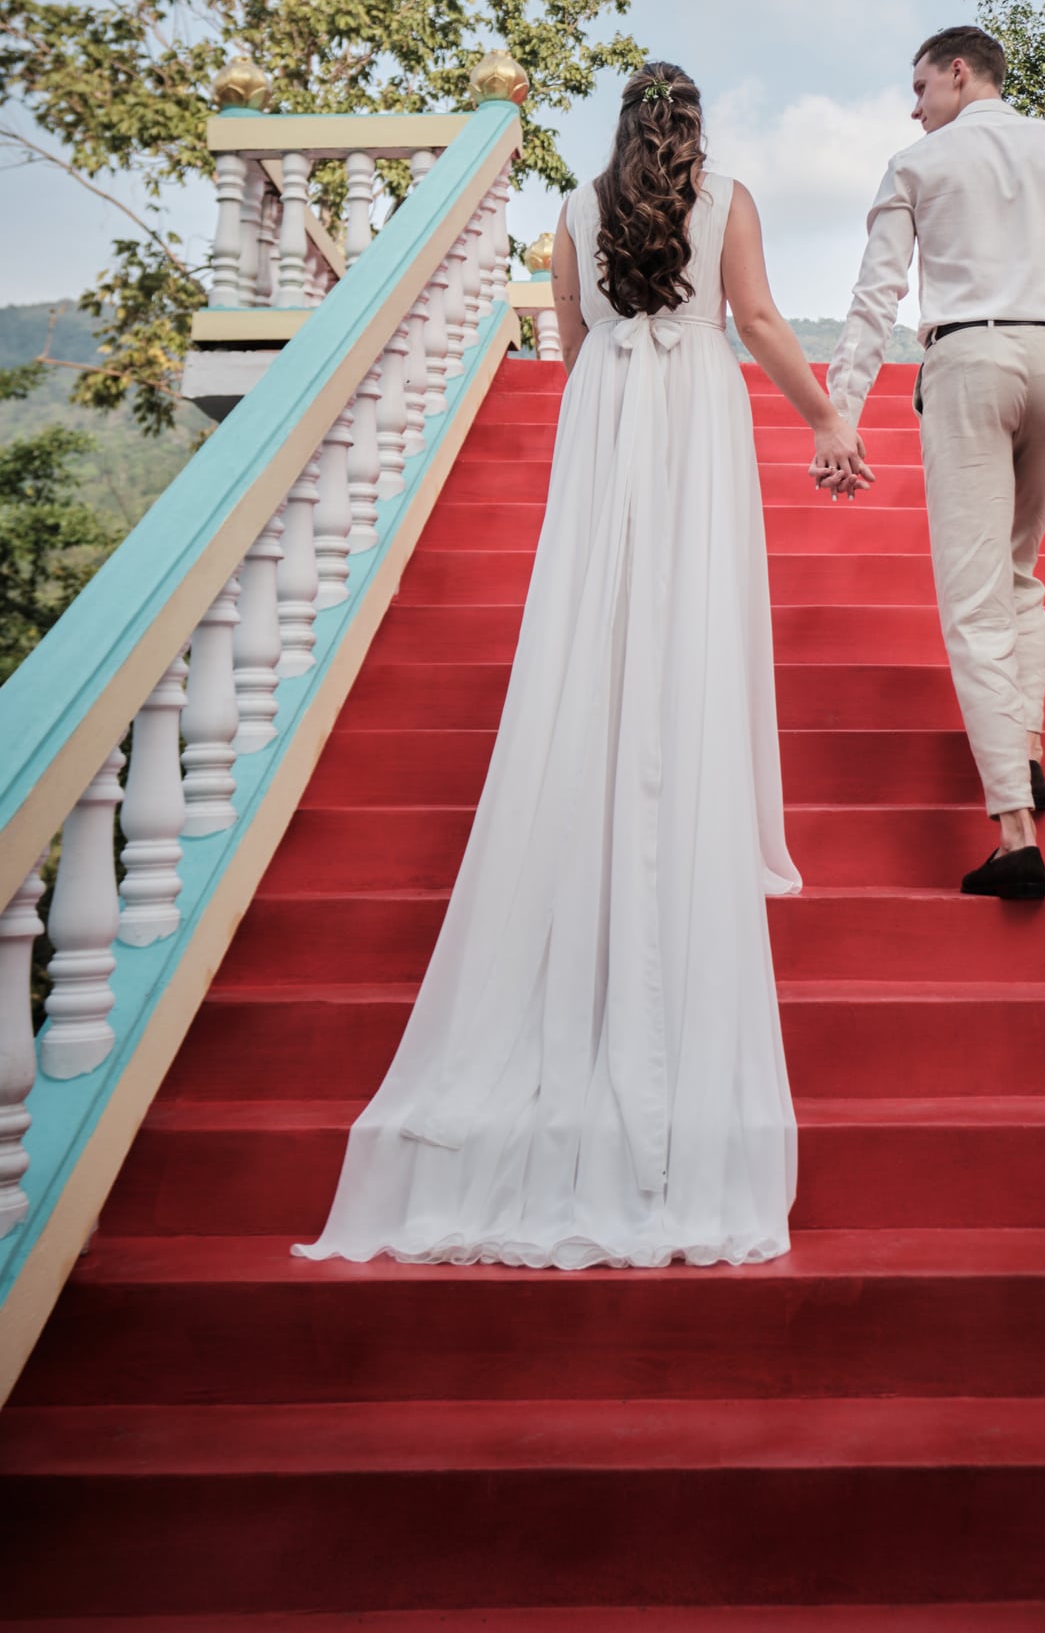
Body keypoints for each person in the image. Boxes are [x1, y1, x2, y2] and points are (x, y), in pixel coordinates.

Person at [297, 62, 868, 1270]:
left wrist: (615, 400)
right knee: (693, 605)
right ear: (697, 126)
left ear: (620, 129)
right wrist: (824, 419)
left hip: (608, 416)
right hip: (696, 415)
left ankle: (600, 760)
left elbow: (568, 346)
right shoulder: (733, 197)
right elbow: (758, 320)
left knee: (596, 618)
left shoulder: (570, 208)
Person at [823, 26, 1045, 901]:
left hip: (972, 360)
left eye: (920, 86)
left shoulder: (916, 164)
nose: (913, 106)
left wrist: (842, 410)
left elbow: (876, 296)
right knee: (1018, 577)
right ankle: (1030, 750)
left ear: (957, 72)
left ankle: (1014, 831)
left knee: (973, 601)